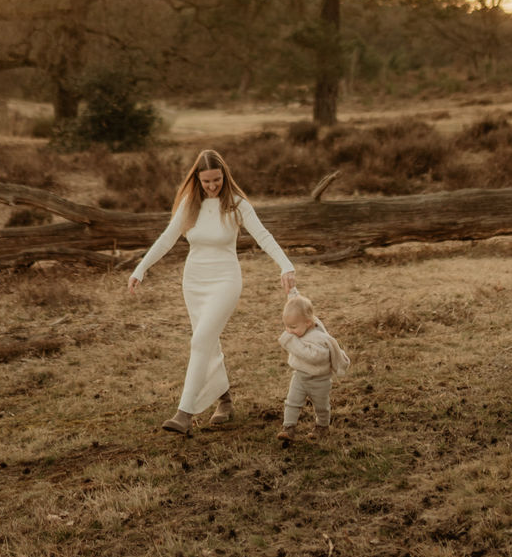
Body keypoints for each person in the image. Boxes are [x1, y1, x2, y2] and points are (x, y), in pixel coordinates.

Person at [128, 149, 296, 435]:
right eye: (206, 181)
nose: (212, 186)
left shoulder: (237, 205)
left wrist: (285, 266)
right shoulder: (189, 205)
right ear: (197, 179)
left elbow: (263, 236)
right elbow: (167, 239)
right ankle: (225, 401)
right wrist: (140, 269)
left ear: (224, 176)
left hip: (225, 280)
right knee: (208, 341)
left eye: (216, 180)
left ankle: (184, 412)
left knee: (201, 340)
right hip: (194, 281)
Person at [277, 291, 350, 440]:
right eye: (286, 327)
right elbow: (298, 306)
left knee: (321, 407)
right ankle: (288, 427)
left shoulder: (319, 338)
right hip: (300, 376)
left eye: (292, 327)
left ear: (308, 323)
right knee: (292, 402)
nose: (289, 331)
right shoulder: (304, 323)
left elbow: (313, 356)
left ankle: (322, 427)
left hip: (319, 380)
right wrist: (292, 292)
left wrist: (290, 342)